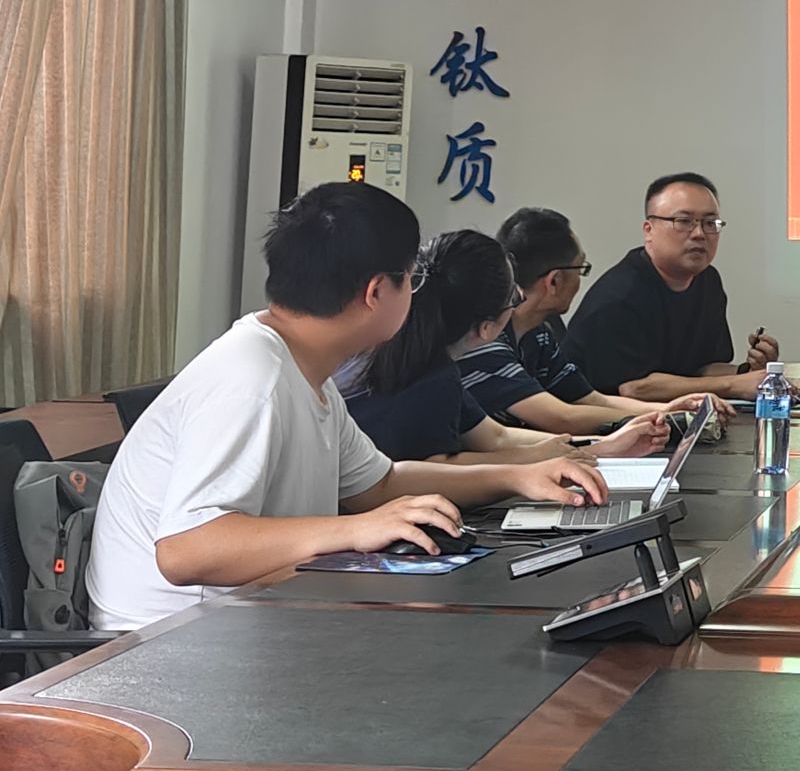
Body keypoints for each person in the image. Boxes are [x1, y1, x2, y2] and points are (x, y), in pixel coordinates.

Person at [84, 184, 609, 632]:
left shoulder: (301, 366)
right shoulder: (251, 380)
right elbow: (187, 550)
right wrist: (356, 529)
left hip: (243, 619)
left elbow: (378, 484)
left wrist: (517, 477)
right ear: (377, 292)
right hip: (167, 644)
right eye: (412, 280)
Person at [342, 229, 665, 465]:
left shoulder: (415, 357)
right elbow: (440, 469)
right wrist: (541, 465)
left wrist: (601, 446)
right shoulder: (431, 378)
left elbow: (496, 437)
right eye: (514, 297)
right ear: (487, 328)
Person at [460, 207, 729, 434]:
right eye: (581, 269)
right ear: (554, 281)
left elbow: (590, 399)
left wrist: (669, 408)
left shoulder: (539, 335)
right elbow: (561, 417)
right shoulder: (486, 340)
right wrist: (665, 419)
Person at [568, 173, 776, 400]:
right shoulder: (619, 297)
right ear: (649, 230)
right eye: (684, 221)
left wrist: (751, 373)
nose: (699, 234)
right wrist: (732, 384)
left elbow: (702, 369)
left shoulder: (707, 280)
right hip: (604, 418)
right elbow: (635, 388)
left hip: (669, 415)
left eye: (710, 223)